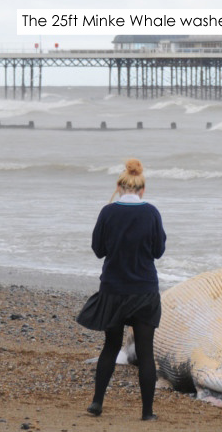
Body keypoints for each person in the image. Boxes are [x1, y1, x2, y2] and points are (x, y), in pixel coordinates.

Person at [76, 158, 166, 421]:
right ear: (142, 189)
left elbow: (98, 250)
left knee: (111, 345)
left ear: (119, 186)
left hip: (113, 289)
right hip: (144, 291)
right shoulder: (151, 213)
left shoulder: (108, 212)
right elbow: (159, 251)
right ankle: (147, 413)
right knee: (146, 352)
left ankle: (97, 403)